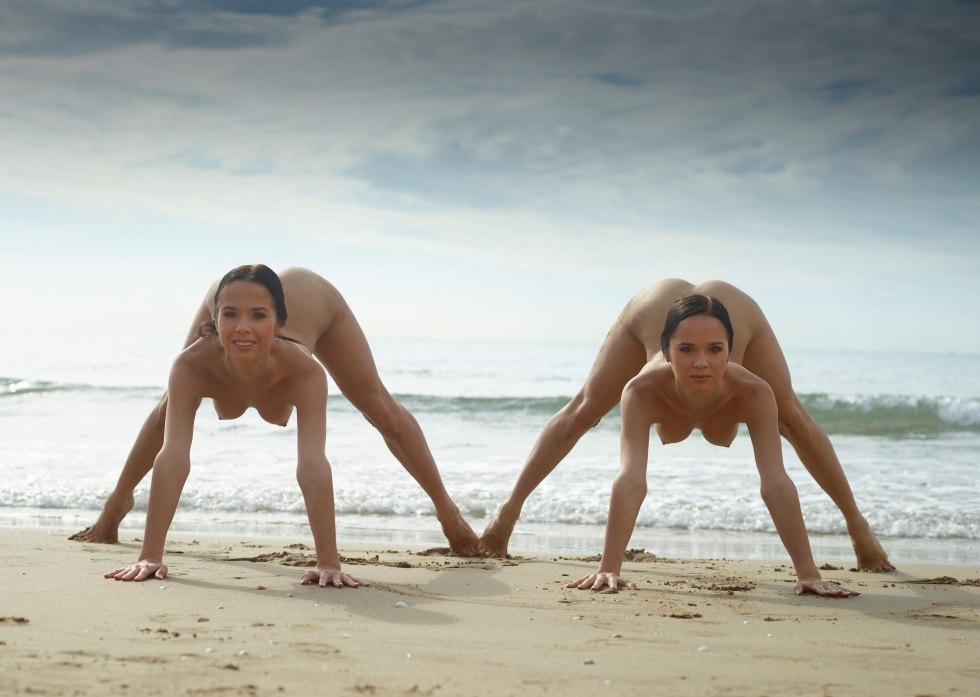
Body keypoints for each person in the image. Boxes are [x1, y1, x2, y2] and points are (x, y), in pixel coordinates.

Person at [86, 265, 479, 587]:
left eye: (259, 317)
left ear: (278, 322)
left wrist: (329, 562)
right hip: (233, 296)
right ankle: (116, 505)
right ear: (215, 317)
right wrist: (150, 555)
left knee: (380, 409)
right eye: (229, 316)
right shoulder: (192, 363)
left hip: (316, 298)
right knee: (167, 409)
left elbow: (312, 464)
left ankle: (449, 513)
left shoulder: (305, 370)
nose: (242, 327)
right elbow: (174, 456)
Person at [480, 279, 894, 579]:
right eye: (685, 352)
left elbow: (776, 482)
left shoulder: (751, 388)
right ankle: (505, 516)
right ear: (665, 351)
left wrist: (809, 573)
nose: (702, 362)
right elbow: (630, 478)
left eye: (716, 351)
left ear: (732, 352)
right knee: (583, 411)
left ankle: (859, 528)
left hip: (736, 310)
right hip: (656, 306)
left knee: (794, 420)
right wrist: (609, 568)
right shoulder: (641, 389)